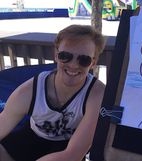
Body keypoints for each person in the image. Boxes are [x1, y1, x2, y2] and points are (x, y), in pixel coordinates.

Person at [0, 24, 106, 161]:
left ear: (93, 62)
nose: (73, 65)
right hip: (30, 139)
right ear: (56, 56)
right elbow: (4, 121)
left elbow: (73, 154)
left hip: (67, 145)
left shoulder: (96, 94)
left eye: (84, 60)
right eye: (65, 56)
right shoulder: (30, 90)